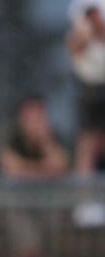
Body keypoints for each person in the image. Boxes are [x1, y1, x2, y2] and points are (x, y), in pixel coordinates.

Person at [0, 95, 68, 257]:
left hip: (47, 204)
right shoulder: (10, 135)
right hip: (19, 203)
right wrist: (42, 170)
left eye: (40, 115)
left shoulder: (53, 135)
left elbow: (60, 165)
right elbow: (11, 167)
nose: (36, 120)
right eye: (31, 115)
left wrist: (44, 141)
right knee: (29, 252)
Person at [67, 0, 105, 174]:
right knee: (87, 143)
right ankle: (84, 193)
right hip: (88, 88)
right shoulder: (79, 28)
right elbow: (74, 46)